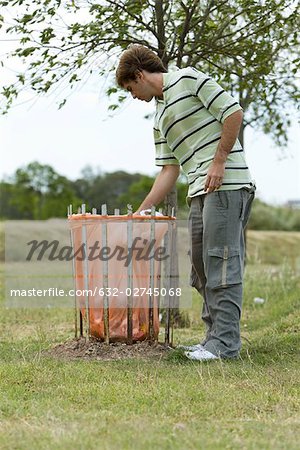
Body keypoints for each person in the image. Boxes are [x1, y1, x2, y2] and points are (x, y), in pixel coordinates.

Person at [116, 44, 255, 361]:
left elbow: (232, 112)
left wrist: (219, 161)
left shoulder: (189, 79)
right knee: (201, 267)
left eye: (130, 87)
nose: (132, 95)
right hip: (199, 191)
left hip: (228, 184)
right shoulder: (159, 117)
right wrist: (142, 209)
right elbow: (169, 169)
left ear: (139, 75)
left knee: (221, 262)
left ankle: (226, 345)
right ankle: (213, 339)